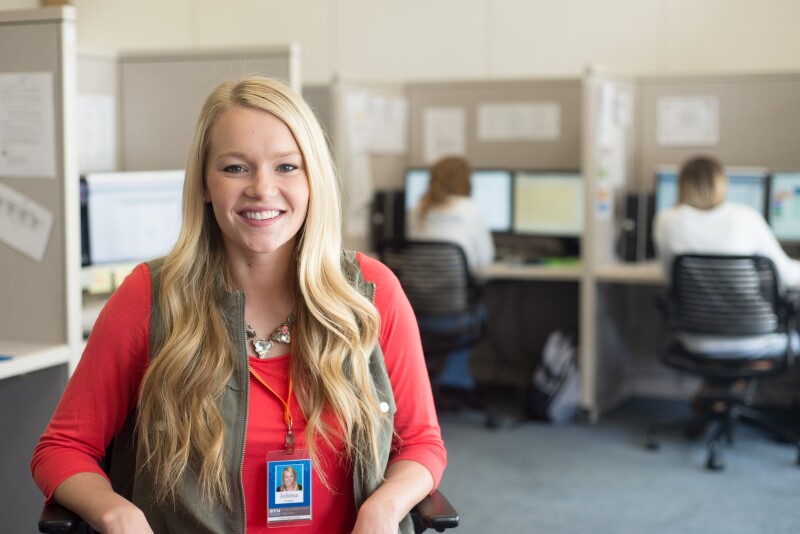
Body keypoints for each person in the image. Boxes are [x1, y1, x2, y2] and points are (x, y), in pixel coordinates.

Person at [31, 76, 446, 534]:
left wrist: (382, 510)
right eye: (235, 168)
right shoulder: (150, 297)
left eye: (287, 167)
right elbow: (63, 448)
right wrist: (117, 514)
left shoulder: (370, 293)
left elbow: (421, 444)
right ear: (205, 185)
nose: (262, 189)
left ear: (314, 180)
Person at [653, 154, 800, 356]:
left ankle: (718, 384)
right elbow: (788, 276)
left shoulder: (665, 220)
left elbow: (669, 278)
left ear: (682, 184)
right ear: (722, 184)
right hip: (757, 340)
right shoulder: (747, 217)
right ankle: (736, 383)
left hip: (695, 339)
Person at [406, 156, 494, 393]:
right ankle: (452, 381)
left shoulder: (416, 210)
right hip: (454, 317)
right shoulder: (470, 209)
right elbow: (483, 262)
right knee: (482, 311)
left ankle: (434, 384)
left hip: (414, 314)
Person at [407, 156, 495, 272]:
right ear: (466, 180)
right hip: (456, 287)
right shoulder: (469, 208)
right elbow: (485, 258)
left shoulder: (416, 208)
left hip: (419, 285)